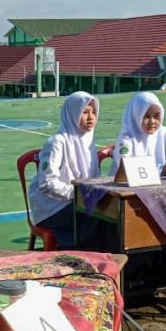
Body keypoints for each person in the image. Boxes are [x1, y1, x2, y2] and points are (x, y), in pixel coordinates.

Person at [28, 91, 100, 250]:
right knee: (99, 218)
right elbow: (46, 184)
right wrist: (77, 194)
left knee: (111, 211)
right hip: (53, 208)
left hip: (76, 203)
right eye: (85, 112)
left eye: (94, 112)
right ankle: (83, 254)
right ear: (72, 113)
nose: (91, 117)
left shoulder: (89, 142)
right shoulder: (56, 143)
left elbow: (95, 177)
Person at [110, 91, 166, 177]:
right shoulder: (126, 139)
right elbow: (126, 168)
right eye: (146, 116)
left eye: (156, 116)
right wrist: (164, 169)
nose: (152, 122)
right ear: (136, 116)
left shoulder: (164, 132)